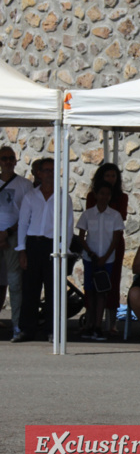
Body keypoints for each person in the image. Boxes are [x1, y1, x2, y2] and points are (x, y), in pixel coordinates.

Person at [13, 158, 75, 343]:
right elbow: (23, 223)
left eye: (52, 170)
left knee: (53, 290)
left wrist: (64, 250)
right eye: (45, 170)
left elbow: (68, 226)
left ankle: (52, 330)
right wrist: (22, 250)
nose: (48, 174)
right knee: (30, 289)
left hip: (53, 245)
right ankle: (27, 330)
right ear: (39, 173)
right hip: (33, 244)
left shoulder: (64, 197)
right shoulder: (31, 196)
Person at [77, 181, 125, 341]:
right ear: (96, 195)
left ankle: (98, 325)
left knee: (102, 292)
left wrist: (105, 257)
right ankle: (89, 324)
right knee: (90, 291)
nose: (104, 197)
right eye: (101, 193)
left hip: (107, 260)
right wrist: (90, 253)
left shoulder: (115, 215)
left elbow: (116, 239)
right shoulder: (88, 214)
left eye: (107, 194)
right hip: (89, 259)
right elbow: (81, 237)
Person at [85, 163, 129, 335]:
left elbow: (122, 216)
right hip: (94, 243)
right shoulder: (91, 196)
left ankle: (111, 322)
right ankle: (90, 320)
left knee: (112, 282)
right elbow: (90, 214)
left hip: (114, 243)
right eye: (107, 176)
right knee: (91, 283)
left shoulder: (122, 197)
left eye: (113, 176)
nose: (111, 179)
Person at [0, 146, 36, 341]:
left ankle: (16, 325)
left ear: (15, 161)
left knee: (15, 284)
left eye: (10, 158)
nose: (7, 162)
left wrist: (7, 233)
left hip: (13, 238)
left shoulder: (24, 185)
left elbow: (27, 215)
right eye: (3, 158)